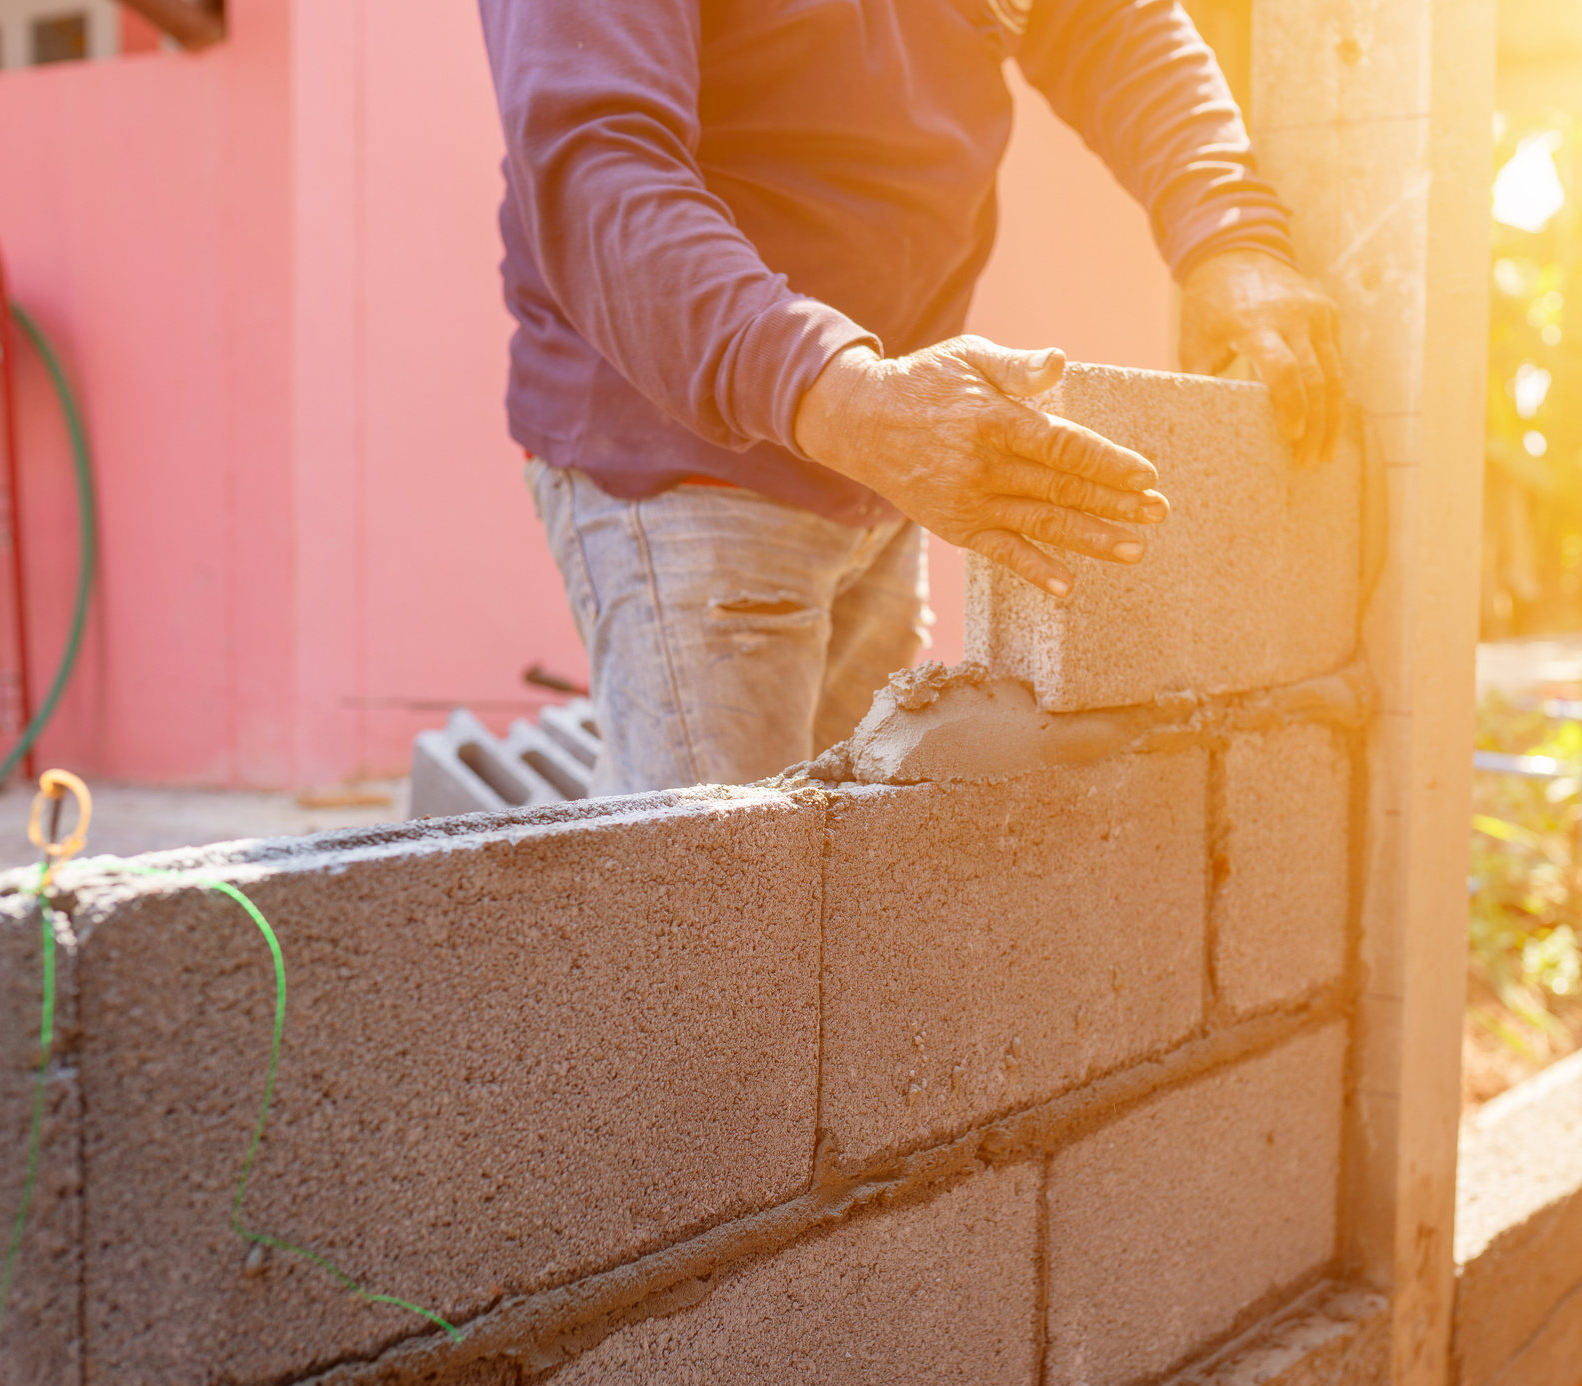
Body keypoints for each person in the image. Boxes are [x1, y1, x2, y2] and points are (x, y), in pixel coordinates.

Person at [479, 0, 1345, 797]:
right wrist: (839, 395)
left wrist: (1230, 229)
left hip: (882, 446)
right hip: (691, 464)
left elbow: (1102, 21)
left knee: (845, 890)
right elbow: (598, 161)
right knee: (715, 919)